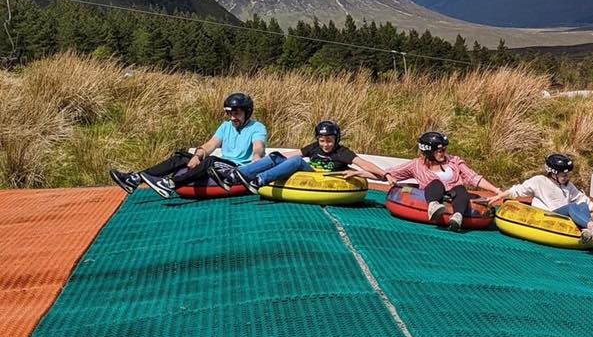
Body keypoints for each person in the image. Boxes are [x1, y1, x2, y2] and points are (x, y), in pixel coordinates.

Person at [111, 92, 268, 198]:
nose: (233, 117)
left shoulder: (257, 127)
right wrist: (197, 156)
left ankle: (171, 184)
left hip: (236, 167)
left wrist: (256, 157)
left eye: (237, 113)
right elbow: (210, 145)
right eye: (230, 113)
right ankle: (135, 179)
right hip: (221, 163)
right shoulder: (226, 126)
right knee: (180, 157)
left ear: (247, 112)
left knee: (211, 161)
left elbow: (258, 146)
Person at [487, 152, 593, 241]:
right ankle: (591, 225)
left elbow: (586, 201)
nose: (566, 177)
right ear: (553, 173)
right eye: (563, 175)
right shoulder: (539, 181)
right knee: (573, 206)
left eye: (567, 175)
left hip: (565, 215)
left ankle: (588, 231)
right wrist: (498, 196)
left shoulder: (568, 185)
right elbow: (517, 191)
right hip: (548, 215)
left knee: (582, 204)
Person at [384, 131, 499, 232]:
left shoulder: (454, 161)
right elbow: (392, 172)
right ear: (429, 152)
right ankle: (433, 206)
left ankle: (457, 216)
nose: (443, 153)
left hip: (455, 193)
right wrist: (386, 175)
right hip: (433, 192)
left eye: (444, 150)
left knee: (460, 189)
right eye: (439, 151)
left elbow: (473, 177)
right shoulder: (416, 165)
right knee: (435, 183)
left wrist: (496, 190)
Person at [235, 120, 389, 193]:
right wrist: (269, 159)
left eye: (329, 141)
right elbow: (289, 155)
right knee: (278, 157)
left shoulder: (341, 152)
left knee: (296, 161)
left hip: (321, 179)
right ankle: (240, 174)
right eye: (322, 141)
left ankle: (261, 179)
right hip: (308, 172)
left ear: (336, 140)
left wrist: (385, 174)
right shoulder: (314, 147)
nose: (325, 145)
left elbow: (363, 163)